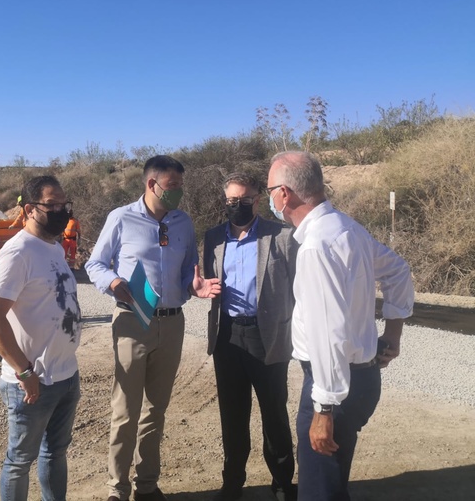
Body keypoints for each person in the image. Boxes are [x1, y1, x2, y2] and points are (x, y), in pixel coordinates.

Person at [266, 151, 414, 500]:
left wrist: (325, 407)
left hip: (334, 387)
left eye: (270, 189)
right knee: (331, 483)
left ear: (284, 194)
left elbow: (328, 332)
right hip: (361, 379)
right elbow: (398, 271)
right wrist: (392, 334)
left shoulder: (316, 246)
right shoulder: (347, 227)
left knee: (319, 490)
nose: (269, 197)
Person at [85, 155, 221, 501]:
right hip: (132, 321)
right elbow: (94, 264)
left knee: (155, 411)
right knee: (125, 411)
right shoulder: (121, 218)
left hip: (172, 323)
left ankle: (147, 486)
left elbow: (188, 269)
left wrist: (196, 287)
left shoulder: (183, 223)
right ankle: (117, 489)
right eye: (172, 186)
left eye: (180, 186)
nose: (178, 192)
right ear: (152, 184)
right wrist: (113, 281)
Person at [0, 175, 82, 501]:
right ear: (29, 210)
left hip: (65, 374)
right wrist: (24, 371)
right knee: (20, 461)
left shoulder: (52, 246)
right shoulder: (17, 253)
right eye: (51, 205)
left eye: (63, 204)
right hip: (32, 382)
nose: (60, 211)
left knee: (55, 453)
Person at [203, 170, 298, 501]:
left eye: (244, 200)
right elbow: (203, 283)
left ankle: (284, 482)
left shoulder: (283, 236)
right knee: (232, 414)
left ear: (258, 200)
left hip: (266, 335)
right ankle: (232, 484)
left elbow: (300, 288)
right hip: (227, 336)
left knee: (274, 412)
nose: (237, 205)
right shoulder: (213, 238)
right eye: (231, 200)